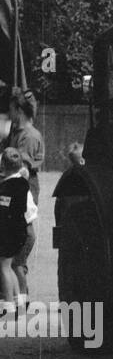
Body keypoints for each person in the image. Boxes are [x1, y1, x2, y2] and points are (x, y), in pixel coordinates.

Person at [5, 90, 43, 306]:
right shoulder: (19, 133)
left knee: (16, 254)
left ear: (19, 110)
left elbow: (20, 170)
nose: (9, 114)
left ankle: (21, 297)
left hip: (20, 196)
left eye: (11, 109)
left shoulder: (28, 136)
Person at [0, 147, 37, 320]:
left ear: (3, 165)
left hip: (13, 232)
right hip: (22, 230)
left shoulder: (9, 187)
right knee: (14, 266)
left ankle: (9, 307)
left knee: (7, 267)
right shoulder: (21, 184)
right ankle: (19, 305)